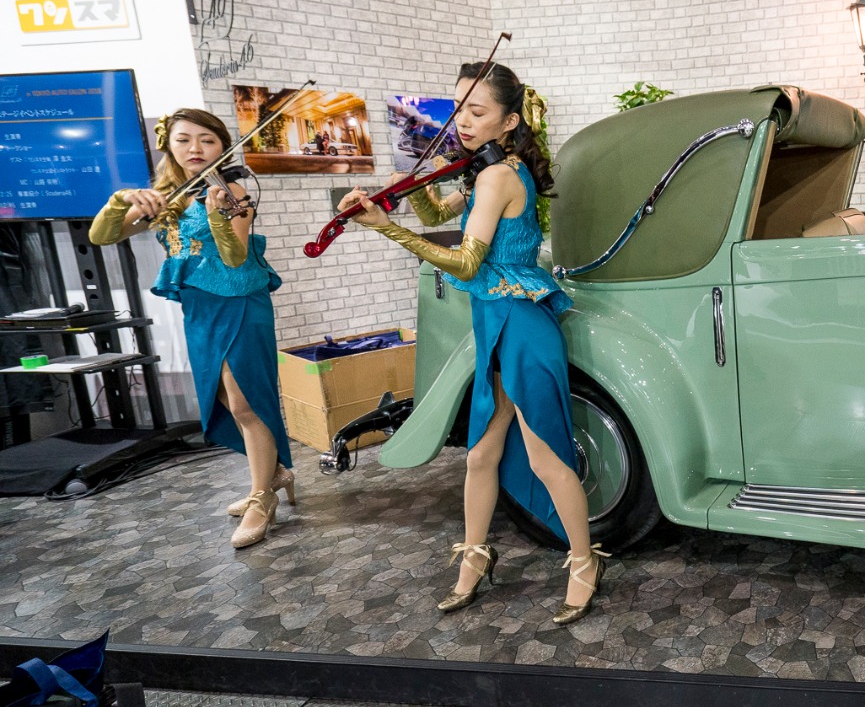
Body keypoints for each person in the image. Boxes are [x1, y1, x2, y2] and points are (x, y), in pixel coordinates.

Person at [340, 63, 606, 623]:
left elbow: (466, 262)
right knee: (481, 453)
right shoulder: (490, 169)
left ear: (509, 121)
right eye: (458, 108)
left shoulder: (497, 177)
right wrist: (418, 187)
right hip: (495, 320)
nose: (461, 121)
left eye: (477, 111)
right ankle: (475, 555)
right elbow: (440, 212)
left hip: (520, 325)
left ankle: (585, 562)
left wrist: (384, 226)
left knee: (546, 456)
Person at [88, 109, 295, 549]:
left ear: (222, 146)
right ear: (169, 146)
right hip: (199, 308)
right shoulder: (166, 197)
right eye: (184, 140)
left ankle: (263, 498)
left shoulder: (232, 191)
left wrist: (217, 215)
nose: (195, 149)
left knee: (246, 402)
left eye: (207, 140)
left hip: (239, 302)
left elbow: (235, 257)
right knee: (222, 396)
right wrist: (119, 200)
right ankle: (274, 472)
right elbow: (102, 236)